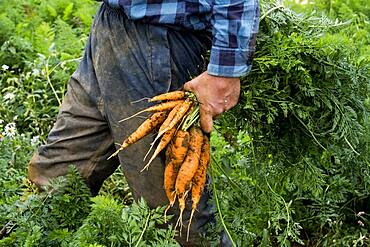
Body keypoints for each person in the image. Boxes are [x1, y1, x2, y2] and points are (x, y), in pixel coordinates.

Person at [28, 0, 260, 245]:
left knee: (177, 219)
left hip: (161, 43)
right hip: (111, 24)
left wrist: (225, 71)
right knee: (55, 180)